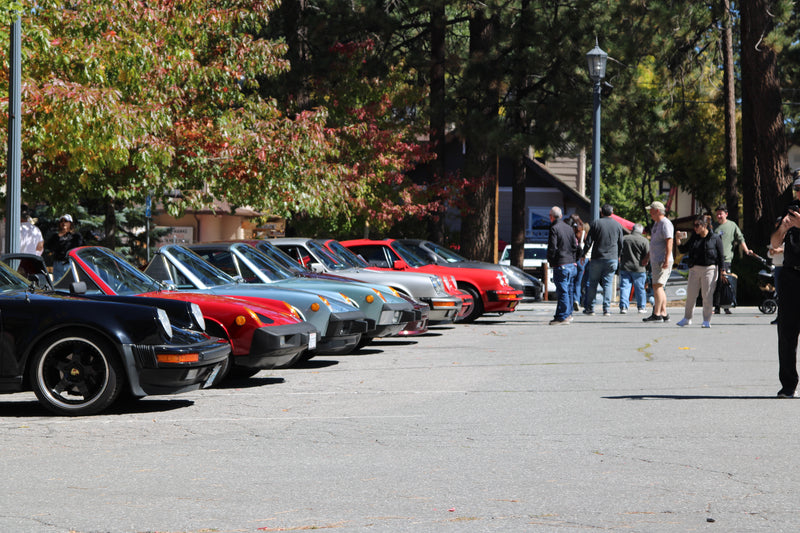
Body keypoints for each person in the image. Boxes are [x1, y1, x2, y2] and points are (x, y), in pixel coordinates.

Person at [769, 175, 800, 397]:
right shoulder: (789, 213)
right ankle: (788, 384)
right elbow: (774, 243)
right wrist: (784, 228)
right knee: (787, 332)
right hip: (790, 276)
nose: (799, 193)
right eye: (797, 189)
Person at [674, 216, 724, 328]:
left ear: (705, 225)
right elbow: (683, 250)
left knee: (706, 295)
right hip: (694, 269)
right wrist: (677, 239)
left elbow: (721, 256)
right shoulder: (694, 238)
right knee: (691, 295)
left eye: (697, 225)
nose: (695, 228)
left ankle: (706, 320)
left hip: (710, 269)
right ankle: (687, 318)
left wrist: (723, 270)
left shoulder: (715, 238)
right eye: (694, 225)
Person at [581, 204, 624, 316]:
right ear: (612, 212)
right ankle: (606, 309)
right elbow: (621, 243)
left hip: (597, 257)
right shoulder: (618, 225)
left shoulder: (596, 223)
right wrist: (618, 256)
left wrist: (583, 254)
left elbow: (589, 241)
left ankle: (590, 308)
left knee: (592, 283)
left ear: (602, 213)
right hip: (612, 258)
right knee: (608, 284)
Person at [712, 205, 753, 314]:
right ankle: (716, 306)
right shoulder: (713, 226)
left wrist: (746, 250)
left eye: (721, 214)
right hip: (713, 259)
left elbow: (740, 238)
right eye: (717, 214)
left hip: (726, 259)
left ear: (726, 214)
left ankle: (726, 305)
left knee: (725, 281)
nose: (719, 216)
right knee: (715, 282)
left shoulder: (732, 225)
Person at [546, 206, 578, 325]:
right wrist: (574, 259)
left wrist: (551, 260)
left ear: (551, 217)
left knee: (562, 291)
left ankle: (563, 316)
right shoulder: (569, 228)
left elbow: (552, 247)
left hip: (561, 263)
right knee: (568, 290)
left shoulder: (554, 228)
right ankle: (566, 314)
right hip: (571, 263)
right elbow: (575, 247)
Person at [643, 201, 674, 322]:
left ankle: (657, 314)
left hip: (662, 260)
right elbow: (654, 244)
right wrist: (648, 257)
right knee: (658, 286)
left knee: (657, 286)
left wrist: (666, 259)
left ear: (657, 211)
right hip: (656, 260)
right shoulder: (657, 224)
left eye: (651, 210)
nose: (649, 213)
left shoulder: (665, 223)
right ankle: (663, 312)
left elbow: (669, 241)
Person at [618, 223, 649, 314]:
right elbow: (647, 254)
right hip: (639, 268)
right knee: (640, 288)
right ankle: (641, 307)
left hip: (625, 267)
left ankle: (623, 307)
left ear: (633, 229)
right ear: (641, 231)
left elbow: (619, 251)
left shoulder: (624, 239)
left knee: (624, 287)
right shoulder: (644, 241)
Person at [45, 214, 83, 281]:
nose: (63, 223)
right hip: (58, 264)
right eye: (61, 221)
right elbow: (49, 247)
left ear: (70, 223)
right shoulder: (55, 236)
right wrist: (59, 236)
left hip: (70, 264)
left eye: (66, 221)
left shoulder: (76, 236)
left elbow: (79, 248)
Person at [568, 214, 587, 312]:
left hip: (571, 259)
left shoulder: (570, 230)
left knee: (571, 281)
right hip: (582, 258)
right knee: (579, 282)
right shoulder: (583, 231)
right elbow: (586, 244)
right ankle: (577, 299)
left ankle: (571, 301)